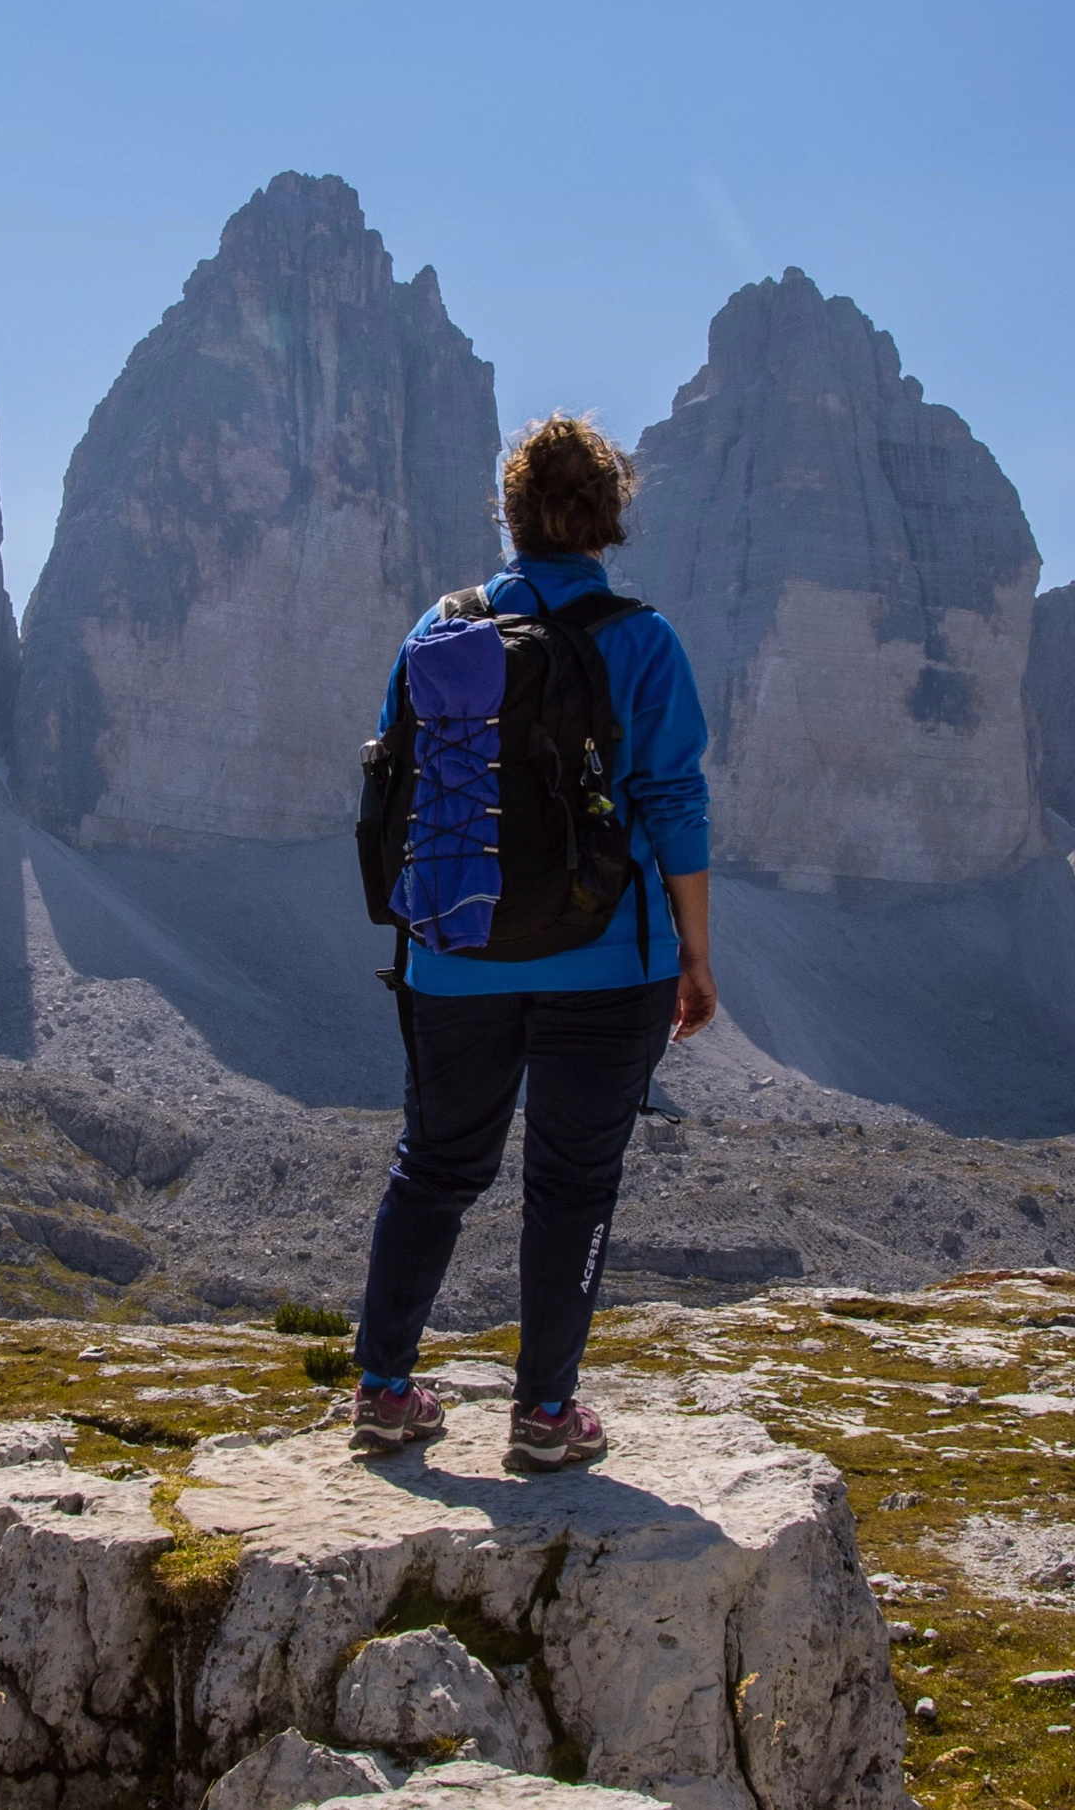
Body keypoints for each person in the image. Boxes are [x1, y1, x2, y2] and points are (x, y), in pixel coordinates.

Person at [350, 415, 715, 1471]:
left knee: (434, 1164)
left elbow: (391, 780)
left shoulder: (440, 626)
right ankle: (545, 1415)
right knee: (571, 1182)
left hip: (453, 954)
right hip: (612, 962)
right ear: (609, 518)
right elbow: (676, 802)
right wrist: (695, 955)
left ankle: (383, 1394)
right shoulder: (641, 638)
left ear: (508, 515)